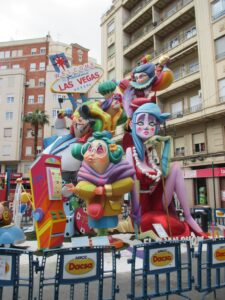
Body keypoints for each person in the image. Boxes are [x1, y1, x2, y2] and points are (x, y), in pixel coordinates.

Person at [126, 102, 206, 238]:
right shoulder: (130, 152)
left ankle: (188, 217)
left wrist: (167, 142)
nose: (146, 126)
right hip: (143, 209)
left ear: (157, 127)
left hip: (159, 202)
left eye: (152, 124)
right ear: (133, 125)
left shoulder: (151, 153)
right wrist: (135, 217)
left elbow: (163, 172)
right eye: (140, 122)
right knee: (162, 223)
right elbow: (132, 184)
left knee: (175, 168)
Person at [66, 131, 135, 234]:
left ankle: (107, 237)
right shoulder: (84, 172)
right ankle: (101, 237)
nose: (92, 154)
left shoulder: (119, 170)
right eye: (90, 149)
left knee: (109, 227)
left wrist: (106, 189)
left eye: (99, 150)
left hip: (111, 209)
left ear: (110, 155)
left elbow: (128, 183)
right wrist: (78, 189)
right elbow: (83, 185)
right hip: (94, 210)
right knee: (98, 229)